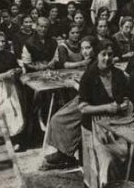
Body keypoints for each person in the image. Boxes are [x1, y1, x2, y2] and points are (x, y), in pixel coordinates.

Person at [78, 39, 131, 186]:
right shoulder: (88, 76)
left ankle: (116, 184)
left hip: (115, 123)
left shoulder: (119, 74)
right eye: (103, 54)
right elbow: (82, 108)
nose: (107, 58)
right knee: (102, 161)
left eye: (110, 54)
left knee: (123, 155)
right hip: (94, 125)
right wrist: (106, 108)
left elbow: (124, 96)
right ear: (97, 55)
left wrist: (125, 103)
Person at [42, 35, 98, 170]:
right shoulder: (90, 63)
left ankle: (65, 154)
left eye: (88, 48)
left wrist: (74, 84)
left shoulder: (96, 65)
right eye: (83, 48)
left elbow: (93, 93)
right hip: (83, 98)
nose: (85, 51)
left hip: (91, 103)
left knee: (58, 120)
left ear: (95, 49)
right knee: (58, 116)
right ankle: (64, 152)